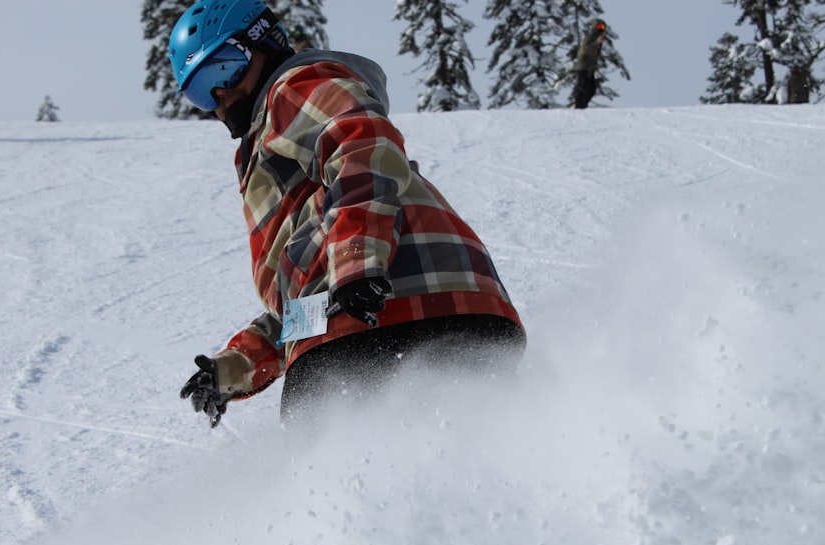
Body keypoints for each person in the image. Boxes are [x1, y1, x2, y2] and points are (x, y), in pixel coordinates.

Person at [172, 0, 525, 431]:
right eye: (200, 90)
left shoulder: (292, 86)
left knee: (338, 480)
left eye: (223, 70)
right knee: (480, 467)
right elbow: (311, 294)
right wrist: (235, 367)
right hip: (459, 309)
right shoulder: (287, 166)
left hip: (383, 318)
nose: (219, 96)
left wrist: (356, 260)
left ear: (264, 41)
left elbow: (359, 143)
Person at [572, 19, 607, 110]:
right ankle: (578, 105)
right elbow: (585, 49)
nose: (601, 29)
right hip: (583, 66)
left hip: (589, 67)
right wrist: (596, 43)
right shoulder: (591, 37)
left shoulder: (597, 37)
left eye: (603, 27)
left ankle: (583, 105)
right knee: (582, 86)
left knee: (591, 89)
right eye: (599, 26)